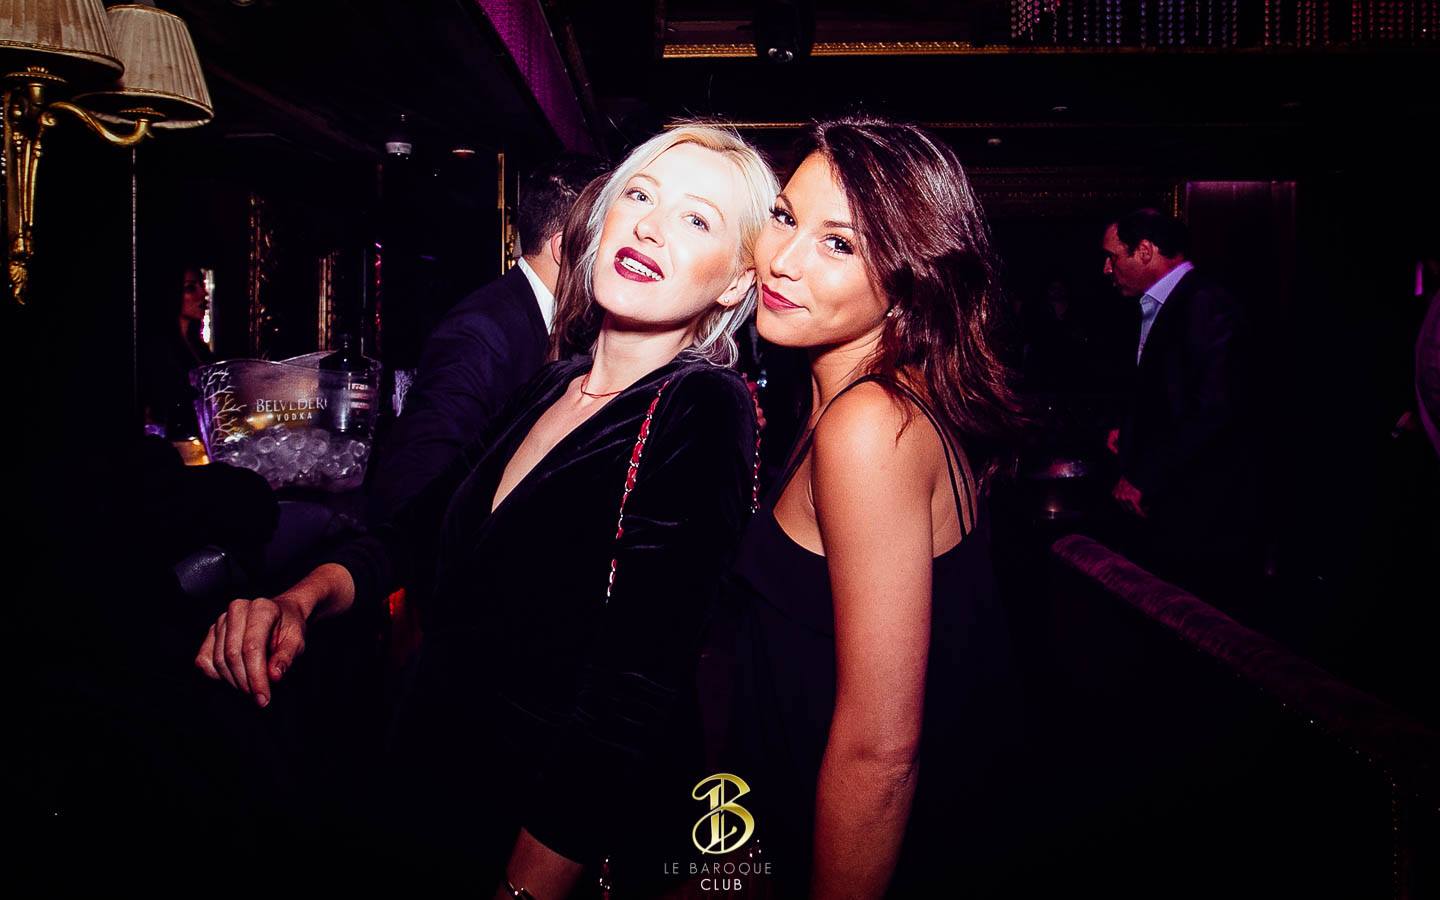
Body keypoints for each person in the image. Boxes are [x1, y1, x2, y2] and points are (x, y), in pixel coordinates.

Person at [194, 123, 779, 895]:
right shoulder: (554, 384)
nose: (649, 226)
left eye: (697, 219)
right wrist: (297, 601)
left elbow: (631, 696)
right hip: (431, 786)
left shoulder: (702, 405)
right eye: (639, 195)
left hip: (534, 831)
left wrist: (528, 887)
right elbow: (416, 532)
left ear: (735, 283)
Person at [722, 117, 1026, 898]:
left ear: (909, 279)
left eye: (839, 244)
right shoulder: (857, 403)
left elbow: (881, 753)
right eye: (785, 217)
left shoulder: (867, 426)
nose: (782, 259)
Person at [366, 154, 608, 522]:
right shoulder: (481, 330)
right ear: (564, 249)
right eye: (605, 243)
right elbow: (412, 489)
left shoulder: (557, 324)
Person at [1100, 208, 1259, 592]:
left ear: (1145, 251)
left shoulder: (1205, 302)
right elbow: (1168, 390)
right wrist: (1129, 429)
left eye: (1112, 256)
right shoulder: (1157, 304)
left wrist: (1145, 477)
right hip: (1171, 502)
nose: (1106, 268)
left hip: (1199, 510)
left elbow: (1214, 411)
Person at [140, 266, 215, 439]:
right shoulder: (156, 350)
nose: (203, 294)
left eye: (203, 286)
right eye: (191, 288)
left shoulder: (200, 349)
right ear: (170, 294)